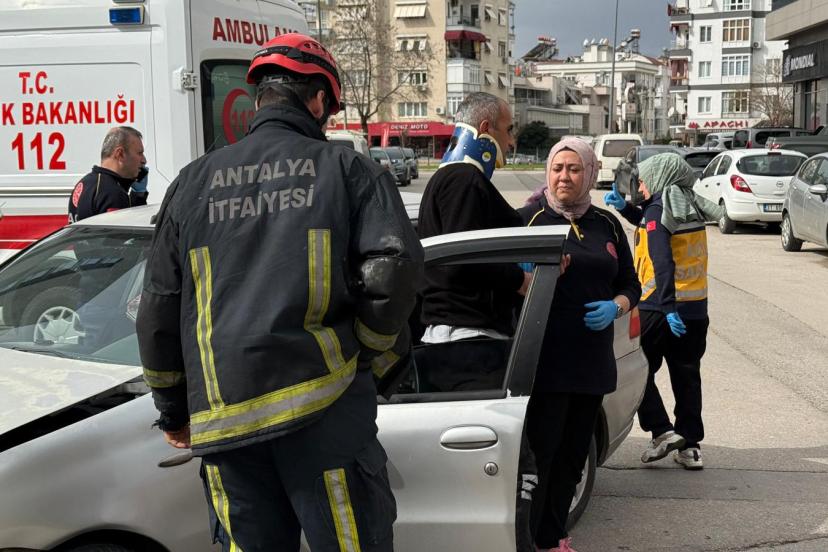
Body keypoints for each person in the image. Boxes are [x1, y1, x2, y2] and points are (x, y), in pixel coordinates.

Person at [136, 33, 423, 551]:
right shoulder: (348, 170)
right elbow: (392, 275)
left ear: (259, 98)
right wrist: (366, 355)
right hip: (325, 413)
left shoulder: (190, 183)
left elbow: (158, 307)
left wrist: (173, 410)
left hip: (226, 425)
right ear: (318, 100)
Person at [517, 138, 641, 552]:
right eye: (557, 168)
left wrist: (616, 306)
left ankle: (554, 538)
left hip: (591, 362)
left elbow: (632, 284)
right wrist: (523, 278)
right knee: (541, 457)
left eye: (573, 169)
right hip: (544, 362)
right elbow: (498, 282)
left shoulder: (607, 224)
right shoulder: (528, 220)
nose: (564, 177)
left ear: (589, 173)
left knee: (574, 458)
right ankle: (528, 539)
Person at [604, 153, 720, 470]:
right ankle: (690, 445)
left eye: (643, 181)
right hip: (695, 309)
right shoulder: (686, 204)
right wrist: (625, 208)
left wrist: (668, 307)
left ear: (659, 179)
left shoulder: (658, 208)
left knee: (636, 370)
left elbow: (661, 259)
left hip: (659, 307)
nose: (640, 186)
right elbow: (649, 224)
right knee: (687, 376)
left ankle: (662, 431)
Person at [416, 91, 530, 392]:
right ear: (485, 128)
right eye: (508, 130)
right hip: (467, 345)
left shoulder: (453, 179)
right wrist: (521, 280)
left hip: (463, 341)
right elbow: (463, 257)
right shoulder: (463, 180)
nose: (511, 142)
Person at [68, 126, 148, 222]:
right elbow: (130, 228)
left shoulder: (84, 183)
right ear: (120, 154)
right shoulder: (112, 192)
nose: (144, 160)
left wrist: (138, 196)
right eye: (140, 153)